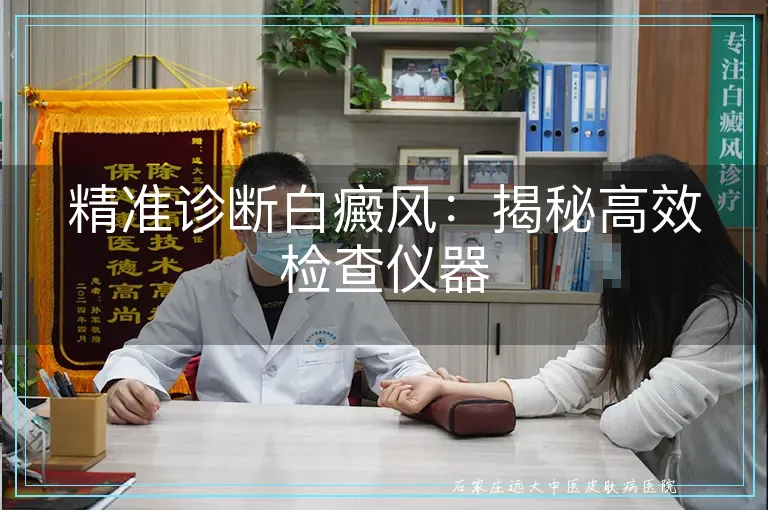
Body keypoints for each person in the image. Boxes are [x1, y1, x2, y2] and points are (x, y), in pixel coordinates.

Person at [378, 154, 767, 509]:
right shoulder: (637, 307)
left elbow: (632, 427)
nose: (601, 243)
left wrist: (601, 410)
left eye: (611, 229)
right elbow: (561, 384)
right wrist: (447, 388)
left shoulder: (729, 319)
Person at [94, 152, 463, 425]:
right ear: (241, 226)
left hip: (323, 450)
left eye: (304, 222)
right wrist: (124, 383)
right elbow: (144, 358)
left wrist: (425, 383)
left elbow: (399, 362)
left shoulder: (347, 287)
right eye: (278, 225)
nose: (294, 236)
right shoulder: (201, 287)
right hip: (224, 447)